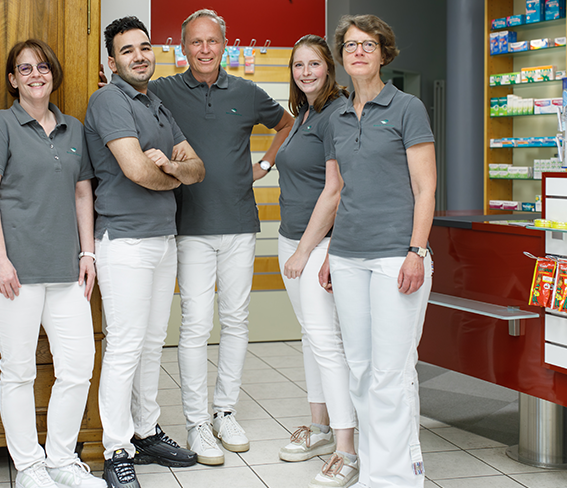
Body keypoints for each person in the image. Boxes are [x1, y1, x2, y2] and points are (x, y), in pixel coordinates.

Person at [146, 9, 294, 464]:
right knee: (194, 325)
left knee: (236, 321)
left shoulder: (248, 93)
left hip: (240, 225)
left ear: (225, 45)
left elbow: (287, 123)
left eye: (213, 41)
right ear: (182, 47)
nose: (205, 49)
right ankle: (196, 423)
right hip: (190, 228)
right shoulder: (162, 90)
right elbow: (126, 95)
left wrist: (264, 166)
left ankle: (224, 411)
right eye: (196, 42)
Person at [0, 39, 104, 488]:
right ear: (13, 79)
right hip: (13, 275)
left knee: (78, 365)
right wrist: (0, 260)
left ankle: (62, 459)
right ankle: (29, 466)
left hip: (66, 271)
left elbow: (82, 192)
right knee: (20, 369)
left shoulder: (73, 127)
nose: (34, 75)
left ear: (53, 74)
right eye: (24, 69)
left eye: (42, 67)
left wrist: (88, 254)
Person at [85, 16, 205, 488]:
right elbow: (136, 170)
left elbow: (198, 168)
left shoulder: (155, 103)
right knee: (125, 346)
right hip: (125, 241)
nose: (139, 55)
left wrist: (176, 168)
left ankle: (145, 430)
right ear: (111, 62)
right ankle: (116, 448)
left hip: (162, 238)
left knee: (153, 341)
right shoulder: (108, 100)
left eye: (145, 46)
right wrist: (173, 171)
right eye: (127, 50)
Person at [320, 14, 436, 488]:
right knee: (362, 369)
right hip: (347, 254)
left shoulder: (407, 108)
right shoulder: (337, 116)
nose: (359, 52)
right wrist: (329, 251)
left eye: (369, 45)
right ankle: (375, 468)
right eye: (350, 46)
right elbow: (336, 190)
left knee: (391, 370)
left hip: (396, 255)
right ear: (342, 57)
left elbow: (425, 188)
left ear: (384, 53)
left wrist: (416, 250)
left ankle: (396, 478)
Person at [274, 35, 358, 488]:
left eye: (313, 64)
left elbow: (336, 189)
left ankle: (346, 449)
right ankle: (320, 428)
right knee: (311, 337)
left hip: (320, 243)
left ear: (329, 67)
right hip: (292, 240)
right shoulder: (304, 114)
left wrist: (307, 250)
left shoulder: (336, 114)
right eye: (298, 65)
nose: (305, 72)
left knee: (327, 342)